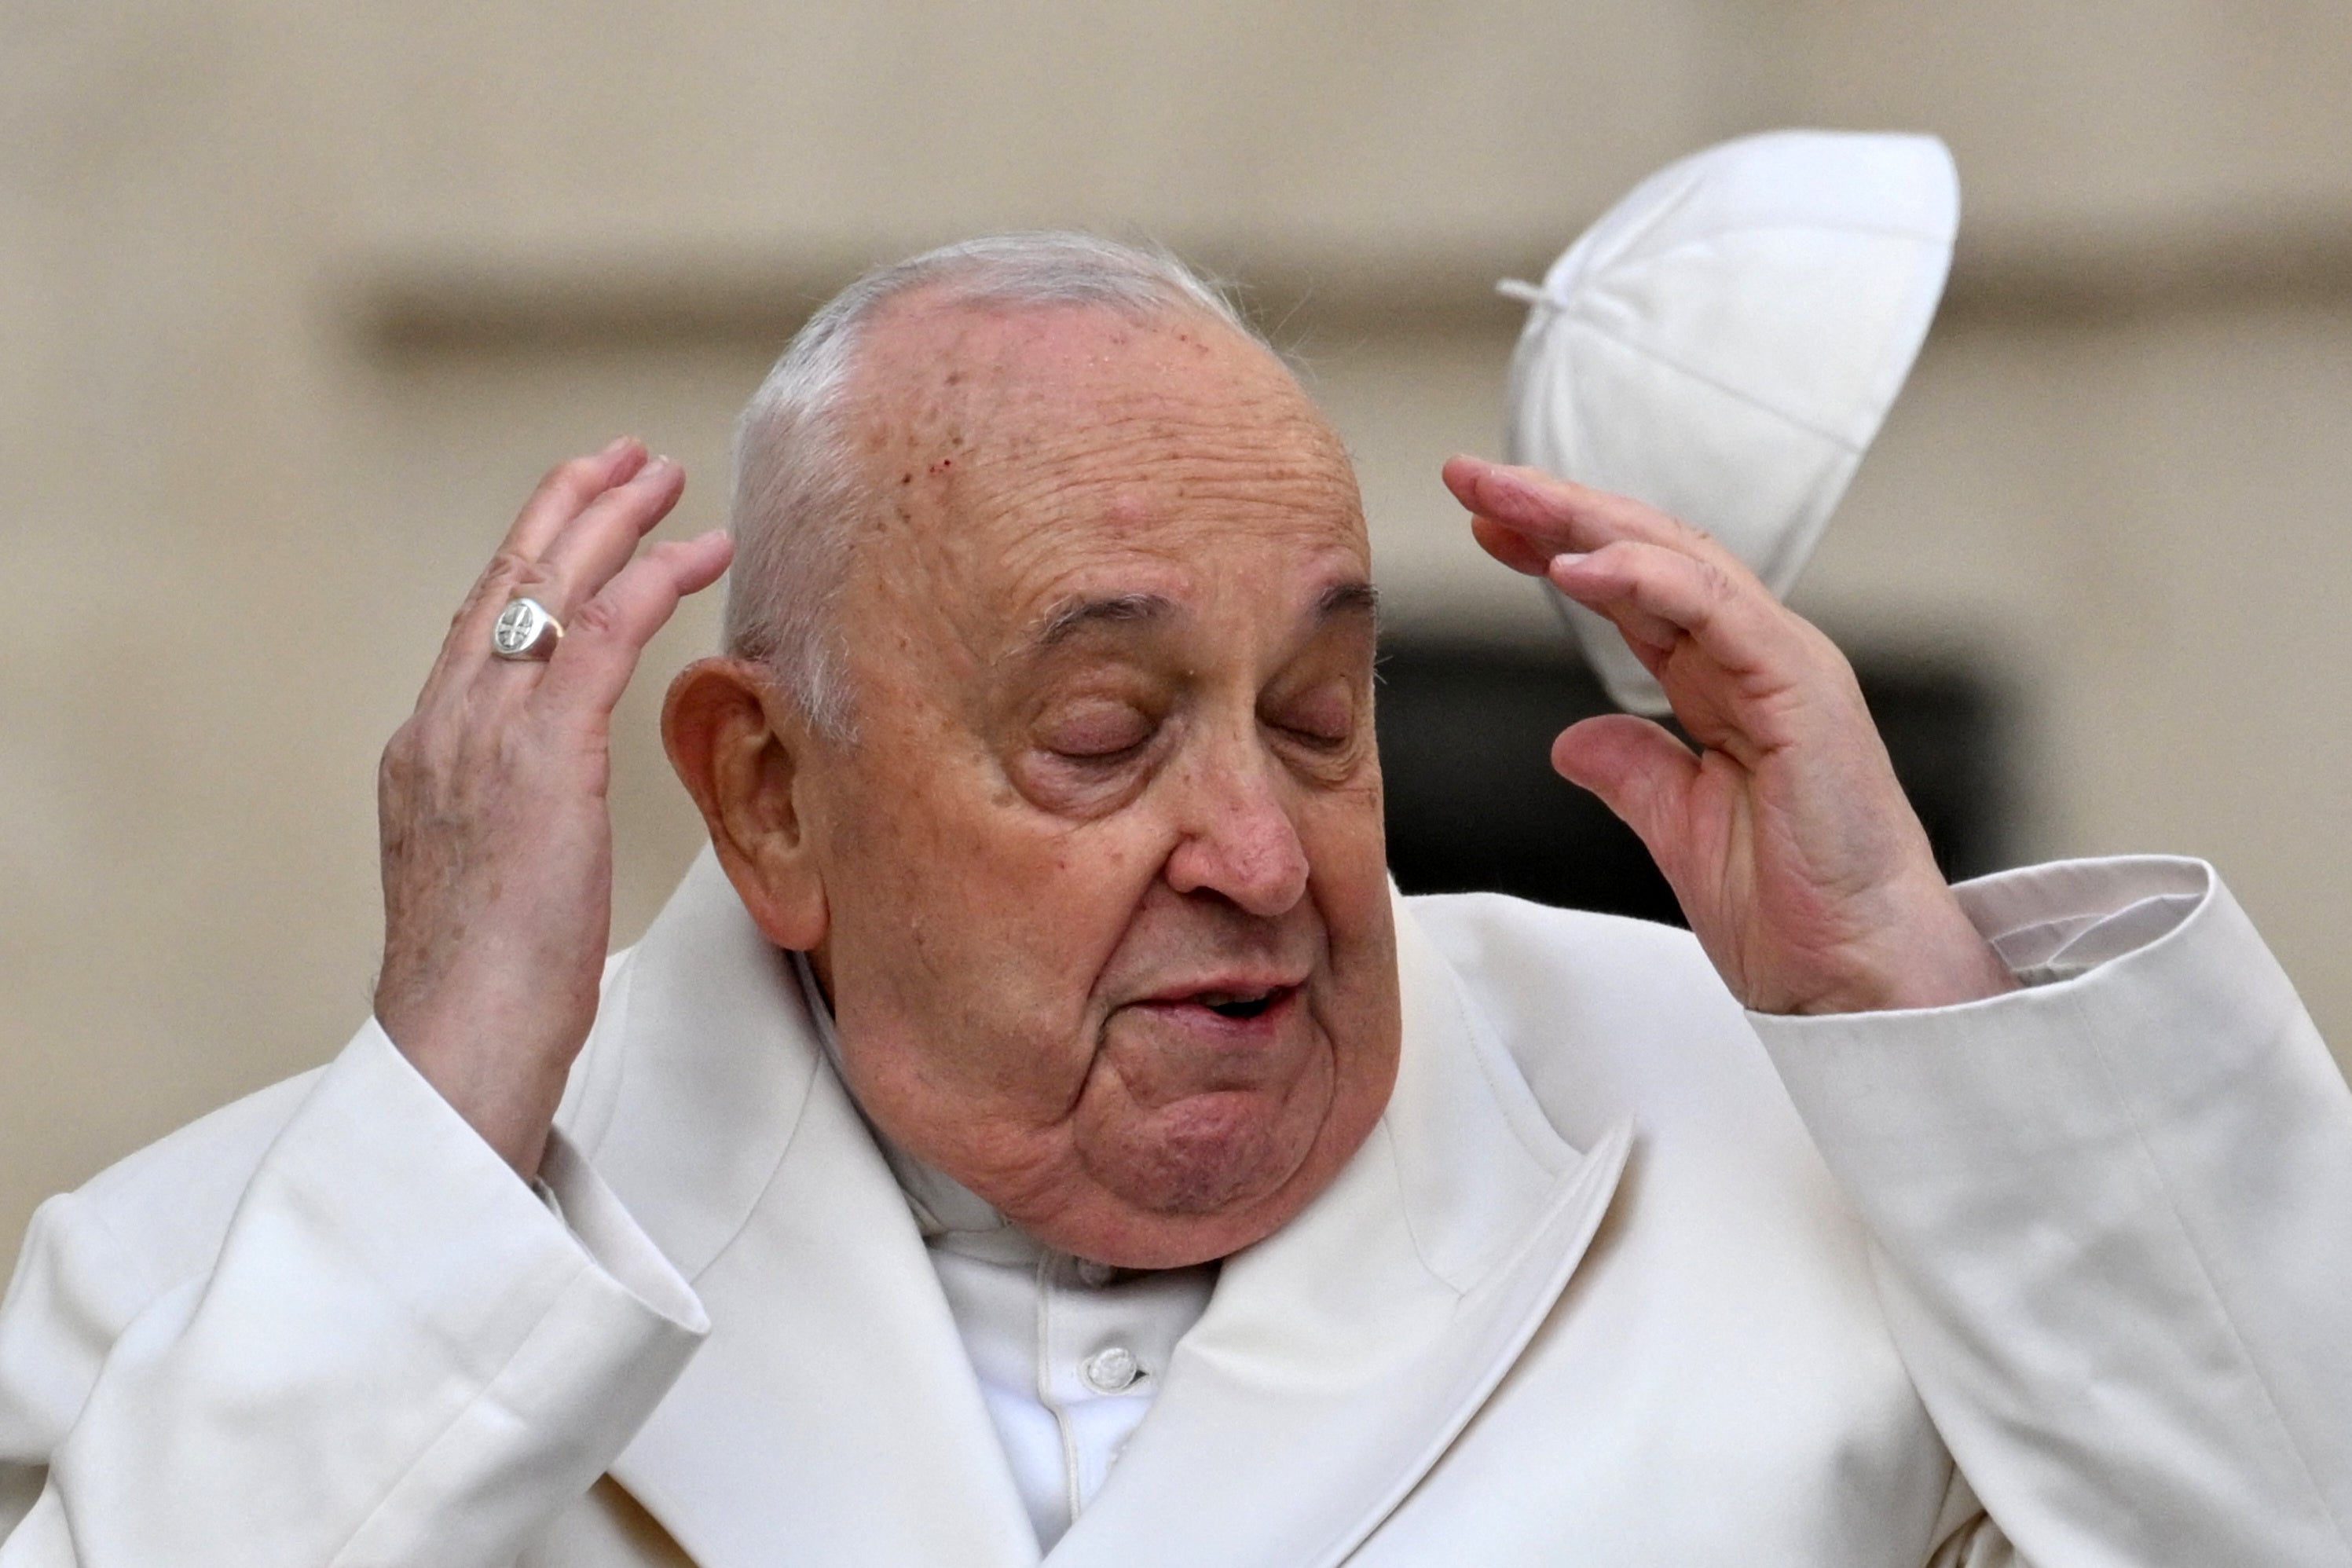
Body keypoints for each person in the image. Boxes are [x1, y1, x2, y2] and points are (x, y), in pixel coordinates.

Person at [2, 234, 2347, 1567]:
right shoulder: (245, 1285)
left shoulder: (1824, 1183)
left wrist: (1920, 1009)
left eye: (1320, 717)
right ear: (769, 800)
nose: (1256, 848)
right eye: (1104, 739)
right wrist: (441, 1140)